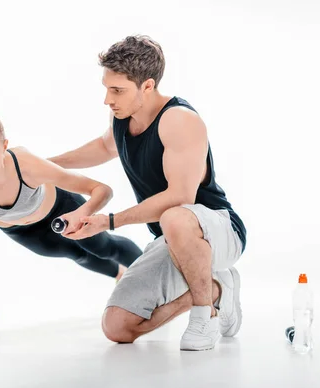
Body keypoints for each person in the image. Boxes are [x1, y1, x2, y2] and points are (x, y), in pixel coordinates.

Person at [48, 35, 247, 351]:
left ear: (148, 86)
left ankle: (204, 314)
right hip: (170, 238)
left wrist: (108, 221)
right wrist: (46, 166)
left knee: (175, 217)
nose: (107, 99)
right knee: (118, 327)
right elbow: (104, 147)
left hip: (218, 231)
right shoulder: (122, 116)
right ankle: (216, 289)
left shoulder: (180, 120)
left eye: (117, 91)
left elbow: (180, 196)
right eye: (107, 88)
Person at [0, 103, 143, 352]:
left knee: (103, 247)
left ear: (4, 146)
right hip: (22, 232)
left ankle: (149, 280)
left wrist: (80, 214)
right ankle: (120, 276)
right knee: (75, 253)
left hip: (61, 209)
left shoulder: (25, 164)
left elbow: (101, 190)